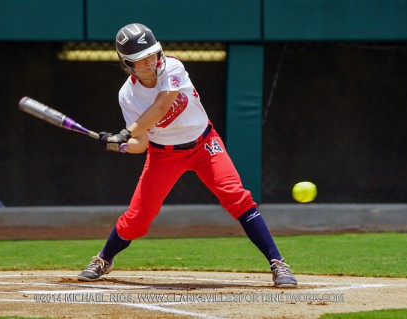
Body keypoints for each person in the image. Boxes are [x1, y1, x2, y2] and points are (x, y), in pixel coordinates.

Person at [78, 23, 297, 287]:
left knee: (237, 198)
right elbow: (142, 144)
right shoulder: (127, 95)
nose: (149, 62)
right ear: (127, 64)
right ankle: (103, 259)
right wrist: (119, 144)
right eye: (140, 59)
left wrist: (126, 132)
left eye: (152, 54)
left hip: (204, 144)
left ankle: (278, 264)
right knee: (138, 219)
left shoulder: (172, 67)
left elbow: (160, 107)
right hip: (163, 155)